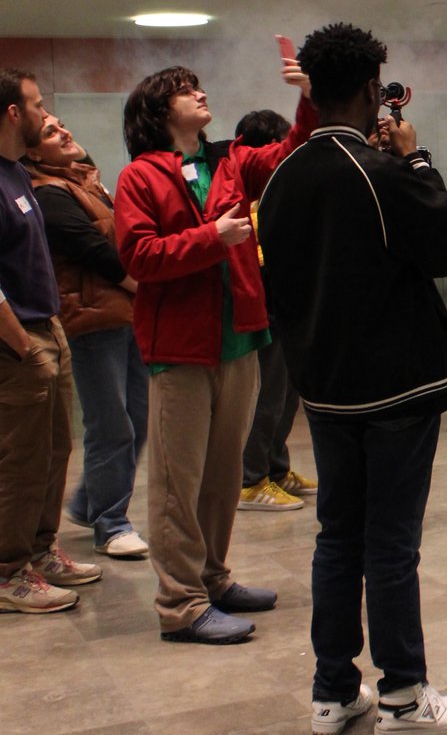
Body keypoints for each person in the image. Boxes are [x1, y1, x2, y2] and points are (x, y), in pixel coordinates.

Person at [257, 23, 447, 735]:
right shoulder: (382, 173)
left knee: (338, 539)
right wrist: (416, 161)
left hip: (323, 390)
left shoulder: (285, 176)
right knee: (391, 545)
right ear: (367, 91)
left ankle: (332, 693)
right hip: (396, 393)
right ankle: (403, 697)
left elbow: (280, 288)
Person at [114, 58, 316, 644]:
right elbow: (139, 257)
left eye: (197, 85)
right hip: (181, 347)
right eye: (184, 90)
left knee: (224, 475)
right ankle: (180, 604)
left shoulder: (227, 162)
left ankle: (213, 578)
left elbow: (289, 154)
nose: (199, 93)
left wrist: (306, 96)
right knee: (179, 481)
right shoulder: (140, 178)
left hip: (240, 339)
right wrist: (213, 238)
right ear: (158, 112)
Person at [25, 115, 150, 558]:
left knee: (138, 418)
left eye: (62, 124)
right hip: (93, 323)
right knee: (111, 425)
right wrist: (147, 287)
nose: (65, 132)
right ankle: (111, 523)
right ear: (34, 152)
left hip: (121, 316)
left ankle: (87, 503)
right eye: (50, 132)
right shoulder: (48, 193)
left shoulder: (82, 181)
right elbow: (98, 253)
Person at [0, 69, 101, 615]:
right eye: (37, 104)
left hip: (45, 327)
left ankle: (40, 551)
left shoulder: (16, 171)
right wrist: (21, 343)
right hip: (16, 341)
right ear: (14, 112)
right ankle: (8, 570)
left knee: (56, 448)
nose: (46, 114)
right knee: (19, 460)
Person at [231, 109, 316, 512]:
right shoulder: (246, 197)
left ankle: (276, 469)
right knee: (266, 396)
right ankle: (250, 480)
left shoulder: (273, 192)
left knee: (286, 396)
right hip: (266, 310)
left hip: (287, 309)